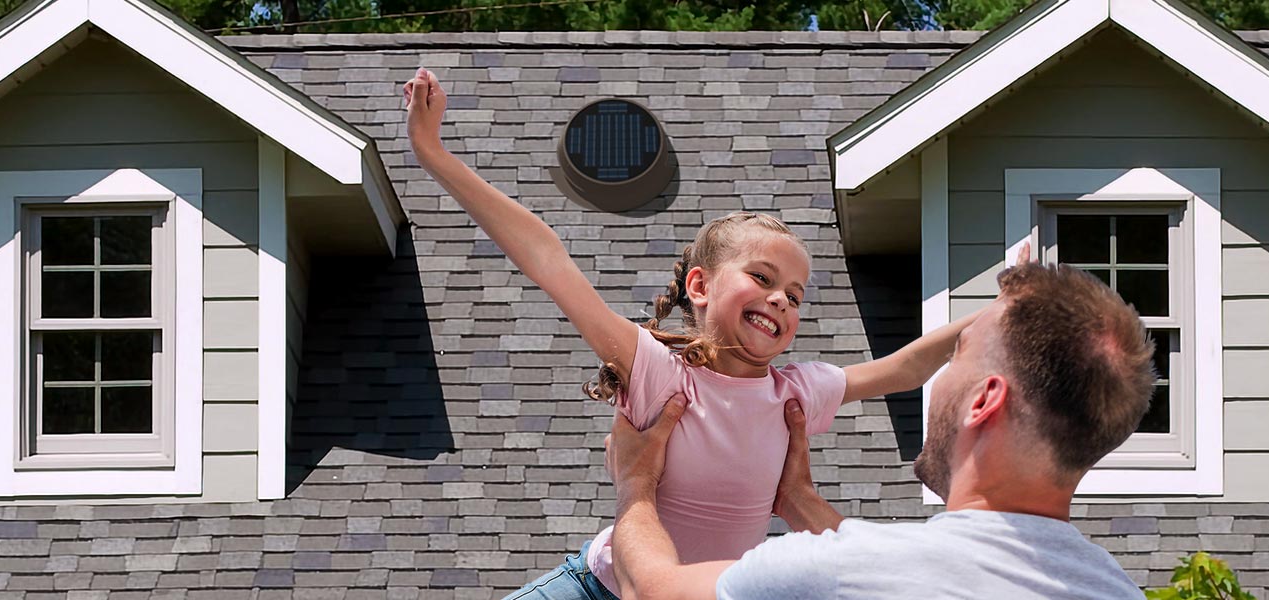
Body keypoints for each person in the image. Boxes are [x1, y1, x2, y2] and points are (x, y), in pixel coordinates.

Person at [402, 68, 984, 600]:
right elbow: (548, 259)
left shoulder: (795, 394)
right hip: (597, 588)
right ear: (700, 286)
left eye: (796, 295)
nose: (781, 298)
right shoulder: (659, 372)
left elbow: (906, 368)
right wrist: (433, 152)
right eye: (762, 277)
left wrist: (998, 312)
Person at [605, 263, 1156, 599]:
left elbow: (654, 593)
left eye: (959, 355)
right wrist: (798, 503)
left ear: (984, 401)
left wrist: (635, 487)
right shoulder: (1118, 589)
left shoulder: (843, 572)